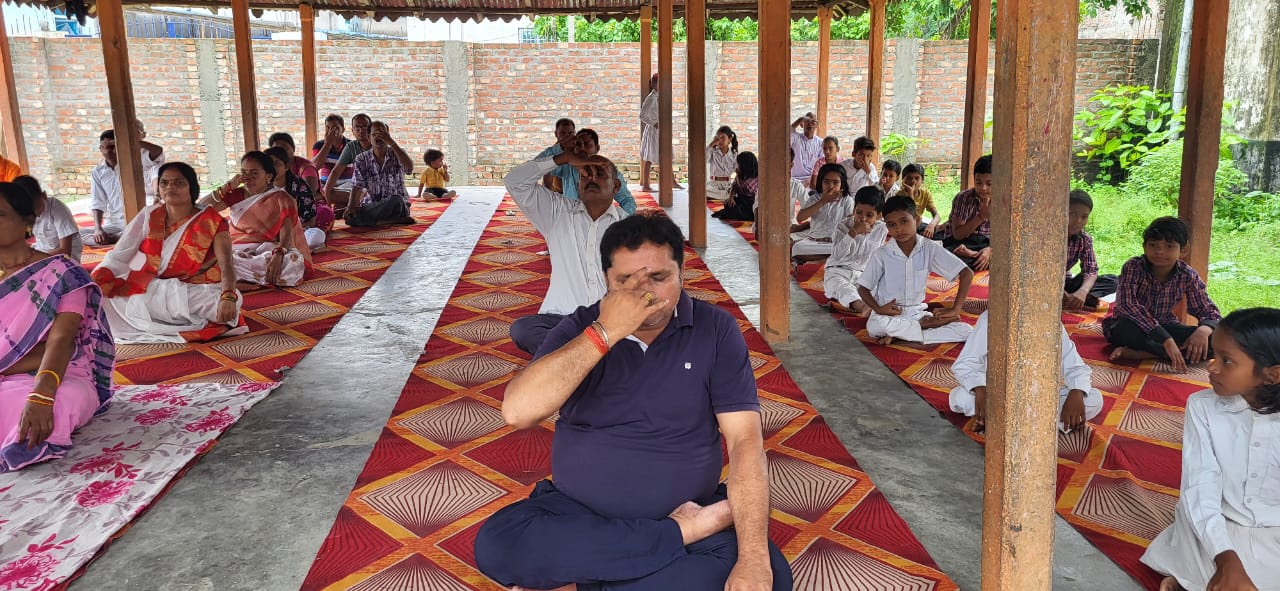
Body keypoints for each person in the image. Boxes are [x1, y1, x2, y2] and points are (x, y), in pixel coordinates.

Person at [474, 212, 793, 591]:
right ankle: (675, 535)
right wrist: (605, 333)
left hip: (685, 505)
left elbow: (745, 442)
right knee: (500, 543)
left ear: (682, 273)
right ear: (606, 281)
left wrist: (753, 557)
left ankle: (592, 576)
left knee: (767, 576)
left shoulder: (715, 329)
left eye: (658, 277)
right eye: (625, 281)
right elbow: (517, 412)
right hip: (581, 513)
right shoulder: (580, 328)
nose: (645, 294)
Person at [1142, 308, 1280, 591]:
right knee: (1198, 532)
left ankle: (1191, 579)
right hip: (1219, 524)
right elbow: (1200, 489)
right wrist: (1225, 558)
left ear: (1272, 375)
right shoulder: (1202, 407)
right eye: (1215, 355)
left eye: (1227, 361)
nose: (1212, 367)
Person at [0, 182, 115, 472]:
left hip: (58, 373)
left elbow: (61, 341)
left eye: (0, 215)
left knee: (52, 407)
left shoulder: (62, 273)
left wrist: (42, 394)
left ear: (27, 220)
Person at [92, 162, 245, 343]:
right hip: (154, 285)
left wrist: (228, 296)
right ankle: (167, 317)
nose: (170, 187)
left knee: (222, 303)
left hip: (196, 289)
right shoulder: (149, 214)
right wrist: (101, 274)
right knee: (104, 291)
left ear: (191, 187)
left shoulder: (212, 221)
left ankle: (160, 317)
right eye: (164, 183)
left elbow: (227, 265)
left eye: (178, 183)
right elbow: (121, 253)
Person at [505, 149, 627, 356]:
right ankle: (593, 357)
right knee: (523, 329)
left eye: (600, 174)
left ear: (616, 186)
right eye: (585, 175)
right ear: (578, 186)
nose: (591, 179)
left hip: (610, 320)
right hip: (562, 319)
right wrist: (563, 159)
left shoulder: (629, 226)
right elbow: (514, 182)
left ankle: (571, 358)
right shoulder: (557, 212)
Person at [950, 310, 1104, 432]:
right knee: (960, 398)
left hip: (1037, 396)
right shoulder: (991, 317)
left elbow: (1075, 366)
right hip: (996, 395)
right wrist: (980, 390)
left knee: (1094, 399)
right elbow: (965, 363)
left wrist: (1077, 392)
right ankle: (1033, 425)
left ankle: (1002, 423)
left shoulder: (1049, 318)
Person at [1104, 216, 1220, 373]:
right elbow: (1127, 306)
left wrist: (1204, 330)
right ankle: (1169, 352)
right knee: (1124, 330)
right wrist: (1165, 339)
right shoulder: (1134, 267)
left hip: (1166, 325)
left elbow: (1208, 309)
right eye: (1153, 245)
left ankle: (1145, 354)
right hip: (1135, 326)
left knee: (1217, 341)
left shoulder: (1187, 274)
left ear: (1184, 250)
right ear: (1144, 247)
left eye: (1169, 246)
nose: (1160, 251)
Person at [857, 195, 974, 346]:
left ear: (917, 220)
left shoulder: (929, 248)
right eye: (892, 225)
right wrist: (879, 309)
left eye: (904, 221)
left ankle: (902, 334)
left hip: (917, 313)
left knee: (966, 330)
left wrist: (955, 309)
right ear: (887, 227)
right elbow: (863, 288)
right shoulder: (882, 254)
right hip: (890, 314)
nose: (899, 229)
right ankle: (923, 327)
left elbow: (966, 273)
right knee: (875, 327)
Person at [204, 152, 312, 287]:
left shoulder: (282, 198)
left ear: (268, 176)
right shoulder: (236, 195)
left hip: (266, 249)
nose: (247, 178)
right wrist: (227, 186)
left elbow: (287, 232)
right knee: (215, 258)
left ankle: (232, 279)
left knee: (292, 263)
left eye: (254, 173)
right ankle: (243, 279)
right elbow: (201, 208)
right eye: (244, 172)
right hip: (235, 248)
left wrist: (278, 254)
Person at [824, 185, 888, 316]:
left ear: (878, 215)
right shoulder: (842, 226)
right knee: (842, 288)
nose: (862, 219)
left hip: (863, 275)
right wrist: (853, 232)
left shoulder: (882, 229)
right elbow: (837, 255)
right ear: (854, 209)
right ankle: (862, 307)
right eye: (859, 212)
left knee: (880, 291)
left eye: (869, 215)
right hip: (838, 271)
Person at [345, 121, 416, 227]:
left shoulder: (398, 153)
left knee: (396, 200)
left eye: (382, 134)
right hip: (374, 206)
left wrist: (391, 142)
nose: (379, 138)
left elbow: (409, 169)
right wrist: (350, 207)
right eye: (374, 135)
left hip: (398, 206)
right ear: (369, 138)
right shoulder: (361, 159)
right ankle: (386, 221)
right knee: (351, 216)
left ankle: (370, 221)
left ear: (388, 136)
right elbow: (356, 186)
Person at [553, 129, 637, 215]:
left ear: (597, 148)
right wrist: (560, 147)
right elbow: (544, 165)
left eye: (587, 145)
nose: (582, 149)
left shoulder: (609, 172)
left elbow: (627, 201)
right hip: (572, 219)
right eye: (578, 145)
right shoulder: (567, 168)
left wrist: (619, 221)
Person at [1063, 189, 1116, 310]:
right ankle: (1074, 300)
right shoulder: (1049, 236)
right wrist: (1057, 291)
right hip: (1044, 282)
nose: (1078, 221)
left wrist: (1083, 291)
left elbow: (1091, 271)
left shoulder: (1084, 239)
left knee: (1113, 281)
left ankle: (1075, 299)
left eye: (1084, 217)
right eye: (1072, 214)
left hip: (1066, 283)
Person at [271, 132, 334, 234]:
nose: (282, 153)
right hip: (280, 211)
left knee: (323, 214)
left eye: (285, 148)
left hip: (307, 208)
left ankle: (301, 233)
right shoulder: (267, 171)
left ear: (293, 149)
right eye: (277, 149)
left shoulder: (305, 166)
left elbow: (310, 194)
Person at [791, 163, 855, 263]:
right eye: (826, 182)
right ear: (821, 182)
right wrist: (823, 201)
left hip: (834, 243)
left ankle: (815, 262)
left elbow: (850, 223)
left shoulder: (846, 200)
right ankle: (826, 261)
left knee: (848, 250)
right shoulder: (815, 199)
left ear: (842, 184)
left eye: (835, 182)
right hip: (813, 242)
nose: (831, 186)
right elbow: (800, 218)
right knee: (797, 248)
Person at [265, 146, 326, 250]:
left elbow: (311, 219)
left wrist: (289, 231)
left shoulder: (299, 185)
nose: (272, 168)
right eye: (269, 164)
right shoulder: (261, 186)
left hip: (297, 230)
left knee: (316, 235)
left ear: (286, 166)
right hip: (270, 232)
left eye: (277, 164)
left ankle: (287, 245)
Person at [941, 154, 994, 270]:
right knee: (948, 256)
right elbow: (958, 235)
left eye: (989, 184)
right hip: (962, 242)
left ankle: (973, 255)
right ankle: (975, 256)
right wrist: (981, 217)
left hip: (987, 244)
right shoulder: (963, 198)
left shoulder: (1003, 201)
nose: (983, 188)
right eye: (978, 183)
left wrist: (990, 250)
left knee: (1008, 258)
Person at [16, 175, 82, 262]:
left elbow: (65, 251)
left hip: (65, 256)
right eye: (30, 212)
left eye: (37, 208)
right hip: (43, 250)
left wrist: (36, 259)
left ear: (44, 195)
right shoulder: (23, 213)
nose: (35, 214)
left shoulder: (57, 209)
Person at [84, 130, 127, 246]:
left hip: (134, 221)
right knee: (77, 234)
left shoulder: (132, 167)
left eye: (112, 146)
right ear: (100, 149)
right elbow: (97, 202)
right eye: (104, 146)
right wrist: (98, 229)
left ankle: (117, 238)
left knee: (145, 231)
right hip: (113, 223)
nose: (108, 150)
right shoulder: (98, 172)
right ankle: (118, 238)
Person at [752, 148, 807, 232]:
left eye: (784, 162)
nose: (780, 166)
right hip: (768, 223)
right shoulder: (765, 185)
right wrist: (758, 229)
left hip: (789, 223)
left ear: (791, 165)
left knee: (803, 229)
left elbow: (808, 206)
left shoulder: (796, 185)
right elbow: (757, 207)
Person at [322, 113, 373, 197]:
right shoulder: (351, 147)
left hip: (377, 186)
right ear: (352, 131)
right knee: (328, 193)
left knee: (363, 193)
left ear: (371, 129)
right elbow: (336, 172)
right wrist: (326, 193)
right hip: (359, 188)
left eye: (364, 127)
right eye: (357, 127)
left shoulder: (378, 145)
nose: (361, 130)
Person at [896, 163, 940, 238]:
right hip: (905, 226)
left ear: (922, 180)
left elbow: (937, 215)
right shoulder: (900, 195)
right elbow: (911, 216)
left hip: (918, 225)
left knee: (939, 232)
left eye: (917, 178)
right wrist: (911, 194)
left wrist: (931, 226)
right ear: (903, 180)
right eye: (909, 178)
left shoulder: (925, 194)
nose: (913, 181)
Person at [712, 151, 758, 221]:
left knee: (744, 210)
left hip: (751, 202)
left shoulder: (756, 176)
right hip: (741, 199)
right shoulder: (741, 173)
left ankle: (731, 213)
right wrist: (731, 198)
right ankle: (731, 213)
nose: (736, 165)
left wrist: (739, 177)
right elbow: (734, 187)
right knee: (728, 204)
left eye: (738, 164)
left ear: (744, 165)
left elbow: (749, 189)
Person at [537, 118, 577, 192]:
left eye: (570, 133)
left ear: (575, 133)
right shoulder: (551, 154)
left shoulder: (579, 151)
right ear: (556, 134)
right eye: (563, 133)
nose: (567, 136)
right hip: (556, 194)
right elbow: (547, 184)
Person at [311, 114, 352, 186]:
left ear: (343, 129)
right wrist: (327, 145)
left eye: (335, 128)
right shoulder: (319, 145)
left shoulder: (351, 146)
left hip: (346, 182)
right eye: (328, 127)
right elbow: (314, 167)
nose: (331, 131)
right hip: (325, 182)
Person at [790, 112, 823, 185]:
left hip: (812, 181)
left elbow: (822, 164)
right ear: (802, 125)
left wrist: (810, 181)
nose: (810, 125)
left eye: (813, 122)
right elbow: (787, 132)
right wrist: (800, 119)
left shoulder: (821, 143)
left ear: (817, 125)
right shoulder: (795, 138)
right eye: (807, 122)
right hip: (794, 180)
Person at [706, 125, 738, 200]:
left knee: (735, 193)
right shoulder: (712, 152)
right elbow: (703, 159)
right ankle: (723, 196)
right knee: (703, 191)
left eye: (723, 138)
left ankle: (724, 195)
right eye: (718, 138)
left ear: (729, 139)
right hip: (713, 185)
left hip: (727, 185)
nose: (720, 140)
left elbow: (737, 171)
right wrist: (712, 144)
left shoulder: (734, 155)